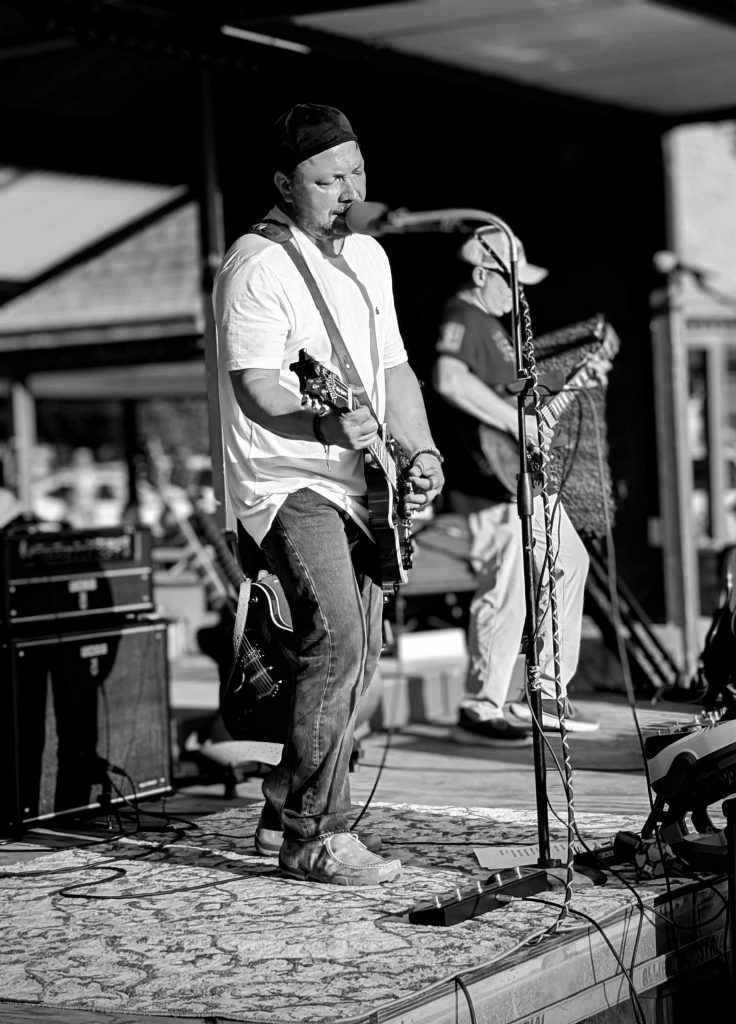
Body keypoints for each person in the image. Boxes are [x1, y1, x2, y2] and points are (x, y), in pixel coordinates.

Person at [212, 103, 444, 886]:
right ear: (285, 182)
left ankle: (284, 798)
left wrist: (420, 449)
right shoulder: (255, 263)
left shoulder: (370, 259)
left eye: (356, 171)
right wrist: (325, 418)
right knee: (337, 637)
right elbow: (256, 393)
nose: (348, 188)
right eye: (326, 178)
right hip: (284, 479)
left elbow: (392, 372)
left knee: (359, 653)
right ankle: (314, 836)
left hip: (358, 481)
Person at [432, 226, 602, 745]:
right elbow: (448, 379)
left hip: (518, 475)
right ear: (483, 274)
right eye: (510, 282)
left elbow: (514, 408)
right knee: (506, 588)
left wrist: (559, 396)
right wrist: (514, 421)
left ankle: (546, 695)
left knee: (569, 561)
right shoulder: (464, 317)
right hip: (489, 483)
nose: (517, 294)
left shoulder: (493, 324)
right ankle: (480, 706)